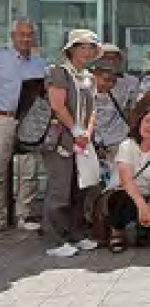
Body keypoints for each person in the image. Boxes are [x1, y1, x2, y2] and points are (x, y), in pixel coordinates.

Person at [43, 29, 100, 258]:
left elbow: (93, 108)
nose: (86, 52)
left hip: (82, 140)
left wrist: (87, 131)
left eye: (90, 48)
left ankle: (76, 233)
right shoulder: (58, 72)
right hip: (61, 138)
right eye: (82, 46)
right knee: (60, 188)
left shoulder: (89, 77)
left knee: (81, 187)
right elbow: (57, 104)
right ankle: (56, 238)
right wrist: (75, 129)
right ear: (71, 49)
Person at [104, 106, 150, 253]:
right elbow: (126, 180)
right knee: (122, 199)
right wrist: (143, 206)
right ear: (140, 123)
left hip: (147, 195)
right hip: (123, 192)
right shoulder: (127, 145)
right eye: (147, 121)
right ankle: (117, 232)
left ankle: (144, 229)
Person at [0, 18, 46, 230]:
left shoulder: (39, 63)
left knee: (29, 169)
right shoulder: (2, 59)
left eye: (29, 35)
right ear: (13, 36)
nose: (26, 39)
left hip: (30, 120)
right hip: (5, 118)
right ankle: (1, 217)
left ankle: (24, 215)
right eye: (22, 35)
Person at [91, 59, 129, 184]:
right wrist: (96, 144)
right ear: (94, 76)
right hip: (91, 145)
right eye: (106, 80)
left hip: (115, 143)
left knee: (116, 181)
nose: (110, 84)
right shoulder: (84, 94)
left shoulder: (119, 93)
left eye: (113, 81)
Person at [99, 43, 140, 115]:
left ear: (120, 60)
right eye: (106, 58)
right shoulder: (89, 80)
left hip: (119, 124)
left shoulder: (132, 81)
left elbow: (132, 108)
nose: (111, 62)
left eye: (114, 58)